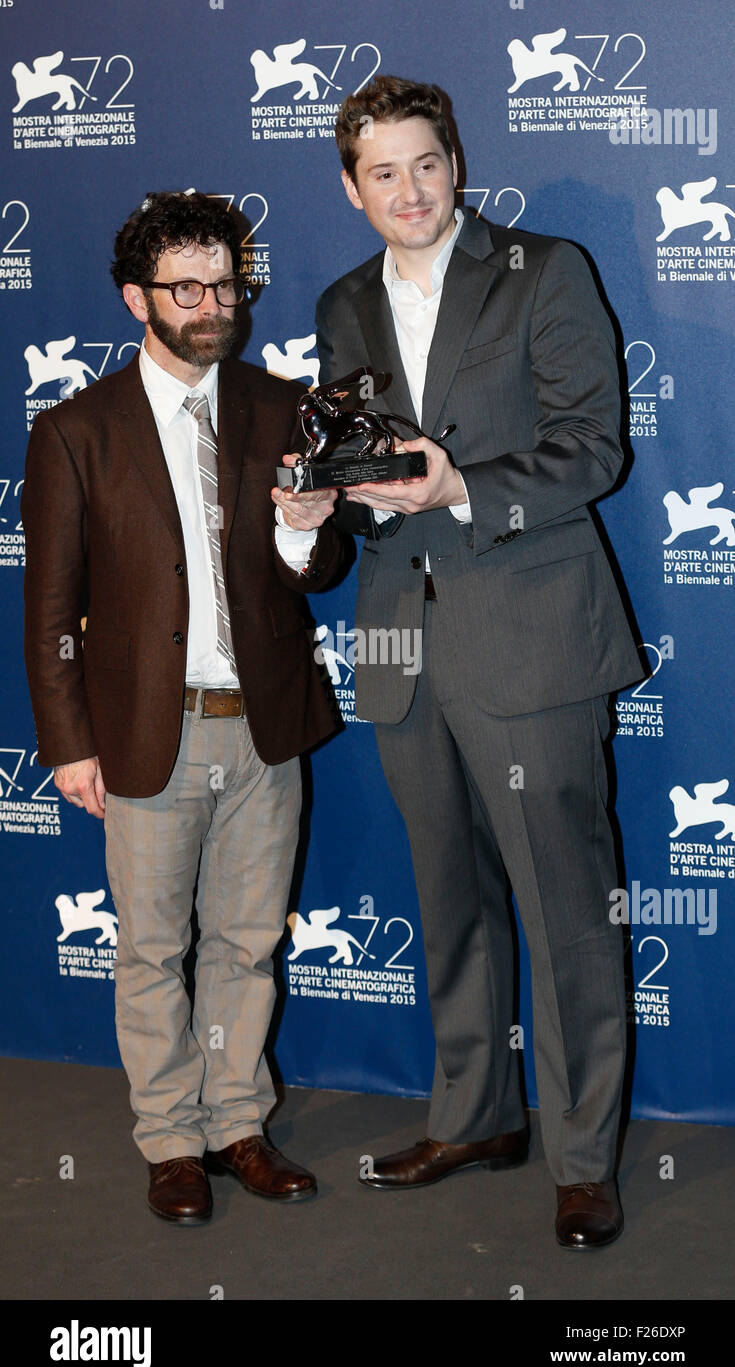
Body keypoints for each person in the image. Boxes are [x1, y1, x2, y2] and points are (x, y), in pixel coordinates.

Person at [272, 77, 645, 1249]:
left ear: (457, 162)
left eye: (426, 163)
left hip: (529, 628)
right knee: (451, 898)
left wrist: (463, 488)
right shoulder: (341, 303)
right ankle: (477, 1114)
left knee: (566, 905)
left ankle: (584, 1158)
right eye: (382, 172)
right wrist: (314, 507)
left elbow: (595, 449)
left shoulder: (548, 269)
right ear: (351, 186)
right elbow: (361, 471)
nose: (409, 190)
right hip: (394, 632)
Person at [22, 191, 343, 1224]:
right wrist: (68, 743)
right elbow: (49, 611)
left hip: (265, 722)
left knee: (248, 942)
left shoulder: (279, 404)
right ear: (137, 299)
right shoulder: (74, 431)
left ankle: (237, 1124)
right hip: (143, 733)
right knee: (153, 947)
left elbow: (318, 565)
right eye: (187, 287)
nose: (213, 304)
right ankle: (169, 1138)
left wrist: (304, 528)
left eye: (226, 284)